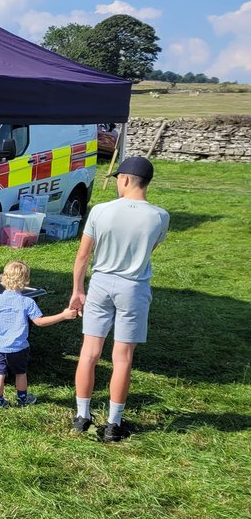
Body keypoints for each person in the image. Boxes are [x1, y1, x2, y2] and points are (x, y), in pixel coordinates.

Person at [70, 155, 170, 443]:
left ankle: (82, 416)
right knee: (123, 358)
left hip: (101, 282)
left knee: (89, 353)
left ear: (124, 179)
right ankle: (114, 423)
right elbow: (150, 249)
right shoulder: (160, 216)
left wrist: (78, 290)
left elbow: (83, 256)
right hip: (134, 286)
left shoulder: (100, 211)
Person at [0, 260, 78, 408]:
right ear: (25, 281)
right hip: (18, 347)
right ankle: (23, 399)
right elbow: (40, 322)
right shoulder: (27, 302)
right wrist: (63, 315)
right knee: (20, 373)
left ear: (3, 277)